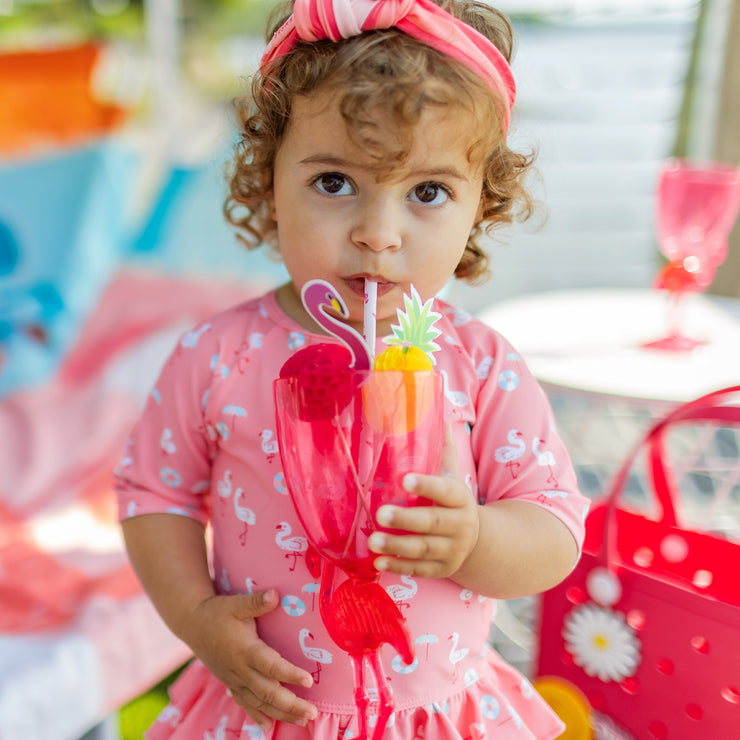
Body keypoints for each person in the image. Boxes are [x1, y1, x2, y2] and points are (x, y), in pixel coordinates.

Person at [115, 1, 591, 738]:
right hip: (268, 713)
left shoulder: (480, 365)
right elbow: (154, 494)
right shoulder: (217, 356)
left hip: (434, 714)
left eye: (427, 192)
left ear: (479, 207)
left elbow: (554, 528)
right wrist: (196, 618)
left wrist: (474, 543)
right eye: (335, 183)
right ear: (267, 179)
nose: (377, 234)